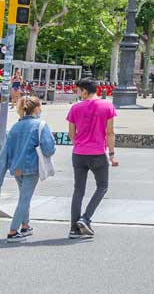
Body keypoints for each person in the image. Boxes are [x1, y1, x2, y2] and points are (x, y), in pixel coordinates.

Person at [67, 78, 118, 238]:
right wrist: (112, 154)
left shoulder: (75, 108)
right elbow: (110, 132)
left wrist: (80, 145)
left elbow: (71, 133)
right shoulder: (107, 106)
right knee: (102, 187)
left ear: (84, 90)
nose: (78, 93)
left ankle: (74, 228)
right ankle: (85, 218)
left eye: (78, 90)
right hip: (97, 153)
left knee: (78, 190)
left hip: (79, 153)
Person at [0, 96, 56, 242]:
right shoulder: (40, 125)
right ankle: (13, 231)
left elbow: (5, 152)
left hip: (16, 168)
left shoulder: (15, 127)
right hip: (31, 167)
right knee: (25, 198)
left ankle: (26, 225)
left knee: (23, 196)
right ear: (36, 108)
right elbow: (49, 149)